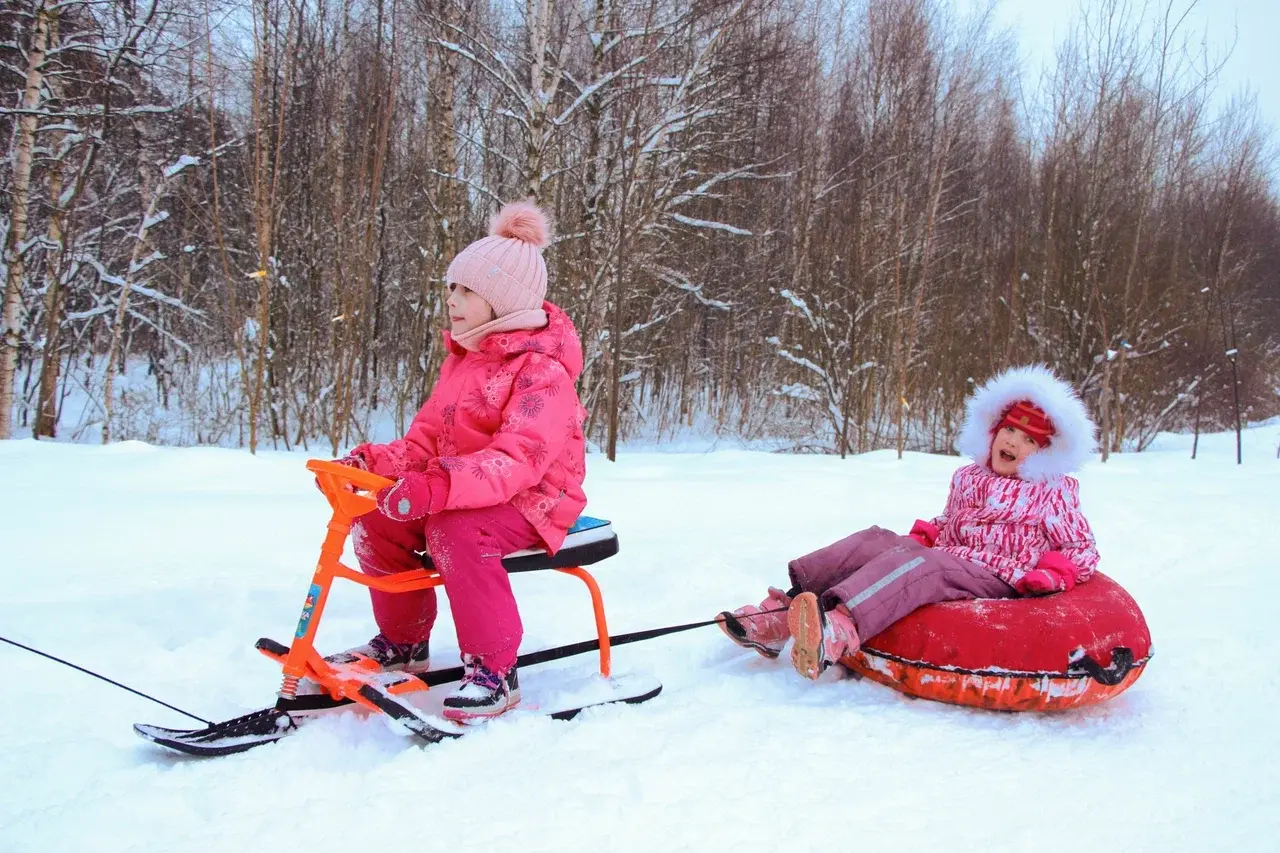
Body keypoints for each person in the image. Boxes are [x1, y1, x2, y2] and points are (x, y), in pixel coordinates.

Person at [327, 201, 587, 721]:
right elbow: (426, 442)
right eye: (451, 287)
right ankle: (404, 643)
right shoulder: (464, 361)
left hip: (535, 500)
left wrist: (439, 487)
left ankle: (495, 669)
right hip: (464, 489)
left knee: (455, 529)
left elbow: (517, 460)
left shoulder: (542, 372)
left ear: (504, 300)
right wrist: (374, 464)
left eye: (467, 290)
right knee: (379, 515)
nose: (452, 299)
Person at [719, 364, 1100, 681]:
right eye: (1010, 430)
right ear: (993, 432)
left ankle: (840, 629)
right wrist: (931, 531)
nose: (1014, 443)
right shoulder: (969, 477)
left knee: (923, 565)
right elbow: (952, 520)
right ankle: (778, 615)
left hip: (1000, 572)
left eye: (1029, 440)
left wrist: (1052, 574)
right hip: (954, 555)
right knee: (876, 540)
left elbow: (1080, 548)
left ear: (1045, 453)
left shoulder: (1053, 491)